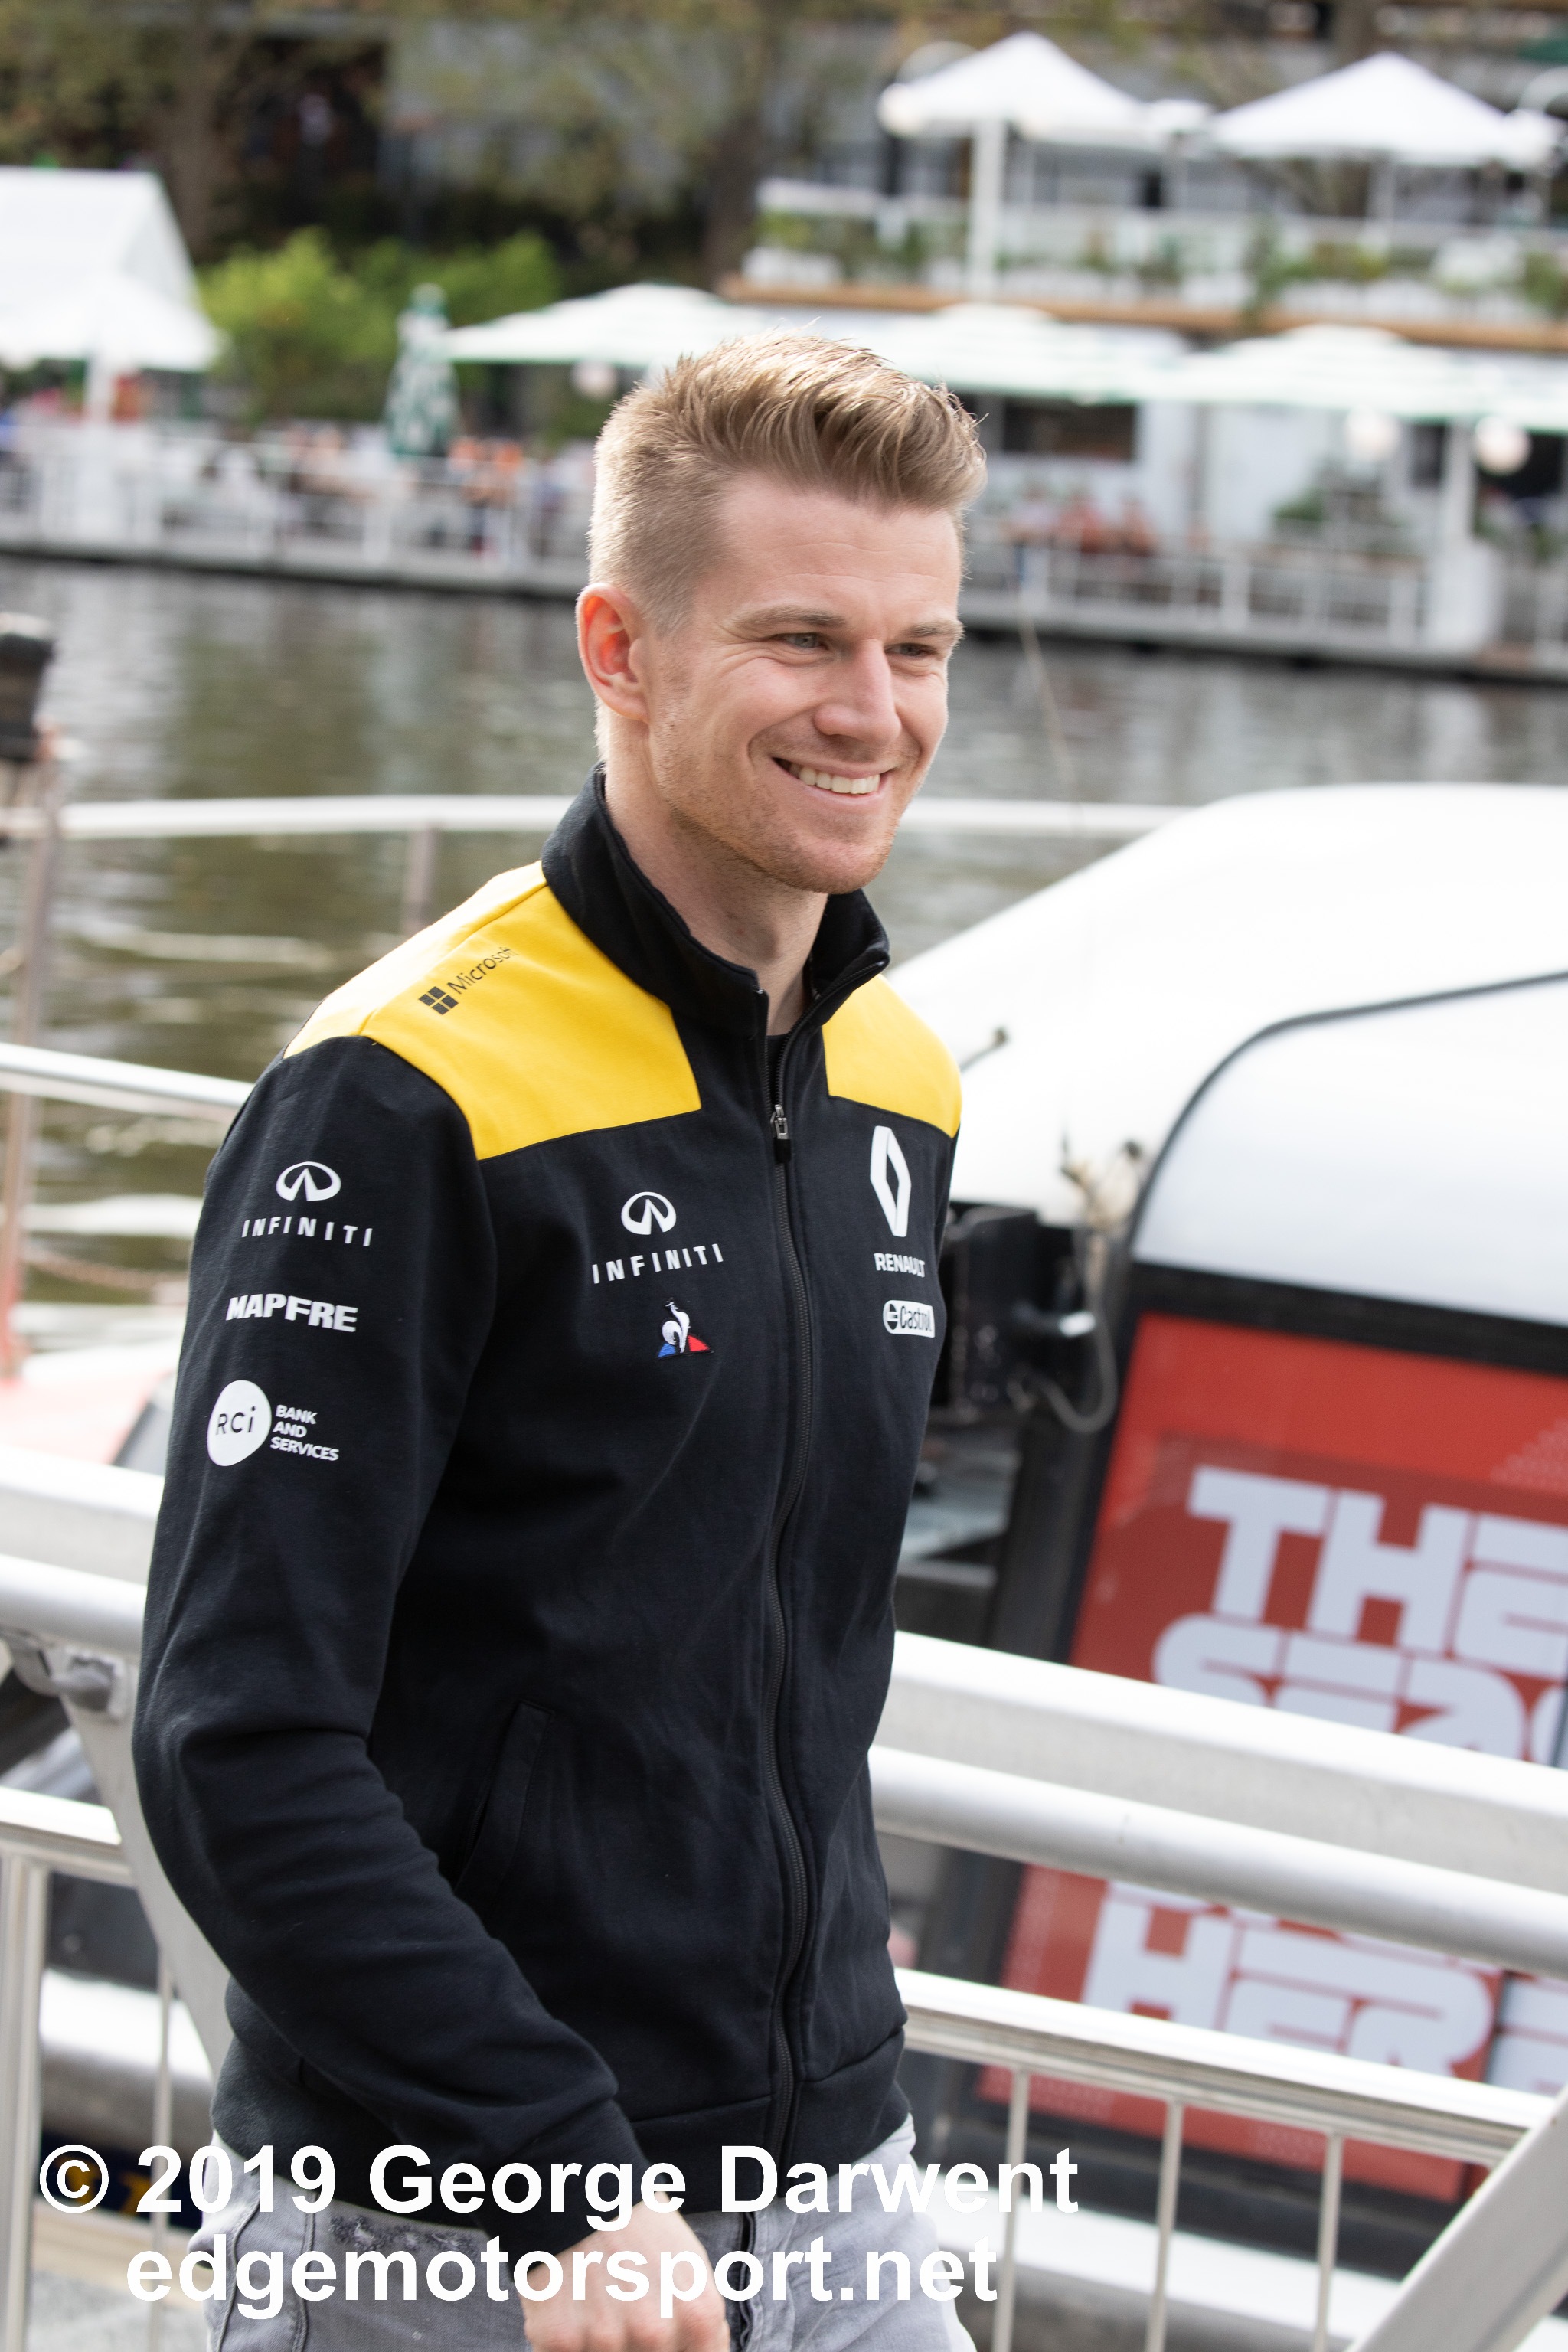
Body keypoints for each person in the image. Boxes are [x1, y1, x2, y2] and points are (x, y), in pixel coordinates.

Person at [134, 331, 985, 2350]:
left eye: (919, 650)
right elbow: (234, 1736)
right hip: (460, 2222)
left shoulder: (902, 1079)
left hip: (829, 2175)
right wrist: (559, 2177)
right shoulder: (401, 1097)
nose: (872, 712)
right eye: (802, 640)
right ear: (621, 648)